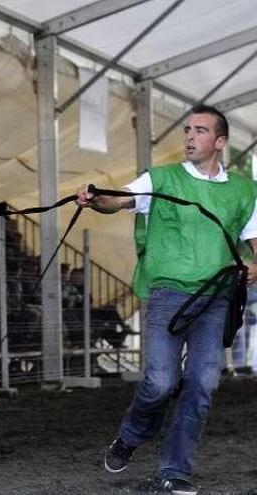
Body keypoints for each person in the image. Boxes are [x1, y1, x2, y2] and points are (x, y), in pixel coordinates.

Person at [77, 105, 257, 494]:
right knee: (160, 382)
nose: (190, 136)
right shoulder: (160, 178)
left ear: (220, 142)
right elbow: (117, 200)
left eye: (200, 130)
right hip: (168, 293)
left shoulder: (245, 189)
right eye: (187, 129)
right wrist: (95, 198)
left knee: (202, 383)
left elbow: (256, 246)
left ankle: (174, 471)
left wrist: (252, 268)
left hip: (216, 300)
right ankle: (130, 436)